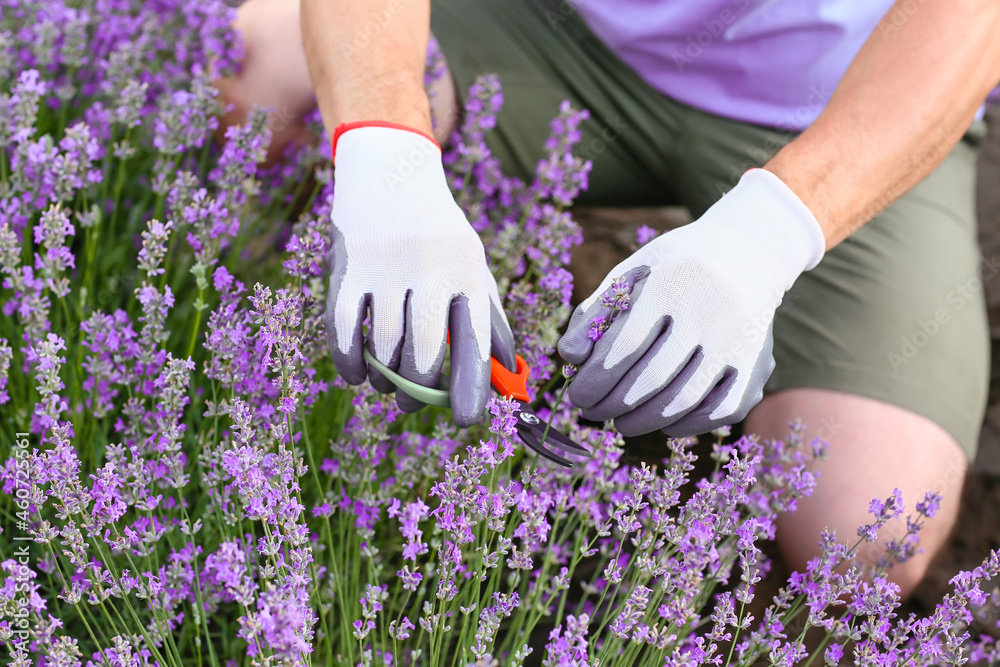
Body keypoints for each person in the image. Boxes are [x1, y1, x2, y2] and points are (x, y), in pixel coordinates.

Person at [219, 0, 1000, 598]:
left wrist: (772, 234)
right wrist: (384, 153)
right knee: (252, 69)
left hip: (850, 96)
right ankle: (252, 364)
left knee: (870, 529)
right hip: (556, 30)